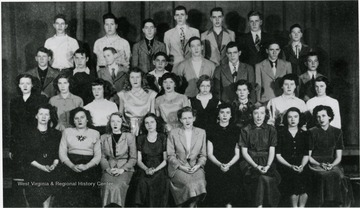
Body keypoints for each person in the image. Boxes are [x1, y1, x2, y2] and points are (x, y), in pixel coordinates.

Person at [308, 105, 353, 207]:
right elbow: (308, 156)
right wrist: (320, 164)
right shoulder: (312, 132)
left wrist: (332, 165)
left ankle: (337, 205)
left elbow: (338, 157)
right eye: (318, 116)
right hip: (315, 164)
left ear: (329, 116)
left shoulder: (337, 132)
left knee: (340, 176)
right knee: (324, 176)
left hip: (333, 163)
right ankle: (323, 205)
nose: (321, 119)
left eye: (323, 115)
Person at [239, 103, 281, 207]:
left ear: (265, 115)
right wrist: (256, 166)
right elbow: (244, 152)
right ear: (251, 114)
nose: (259, 116)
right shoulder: (245, 130)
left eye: (262, 113)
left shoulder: (271, 129)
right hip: (250, 163)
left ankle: (262, 205)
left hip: (267, 161)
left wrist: (267, 166)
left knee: (264, 178)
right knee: (260, 179)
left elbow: (272, 150)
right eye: (256, 113)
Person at [58, 107, 101, 207]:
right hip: (70, 164)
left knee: (88, 189)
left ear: (87, 119)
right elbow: (62, 153)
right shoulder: (67, 132)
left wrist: (87, 166)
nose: (79, 120)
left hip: (89, 165)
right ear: (73, 120)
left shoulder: (95, 133)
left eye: (82, 117)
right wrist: (72, 166)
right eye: (76, 118)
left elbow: (98, 156)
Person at [9, 74, 48, 179]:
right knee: (19, 174)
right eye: (22, 83)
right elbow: (13, 124)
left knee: (34, 173)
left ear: (32, 85)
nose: (25, 86)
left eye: (28, 83)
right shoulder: (14, 101)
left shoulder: (40, 99)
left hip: (35, 139)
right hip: (19, 141)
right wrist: (12, 148)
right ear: (19, 86)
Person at [167, 106, 207, 207]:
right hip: (179, 167)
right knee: (189, 184)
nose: (187, 121)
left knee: (201, 182)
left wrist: (197, 166)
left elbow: (203, 155)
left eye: (189, 117)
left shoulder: (201, 132)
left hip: (195, 166)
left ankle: (192, 206)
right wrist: (181, 167)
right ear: (180, 120)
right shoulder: (173, 133)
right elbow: (170, 155)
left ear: (194, 118)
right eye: (184, 118)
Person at [23, 103, 61, 207]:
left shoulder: (56, 134)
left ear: (50, 117)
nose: (43, 117)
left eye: (46, 114)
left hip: (51, 169)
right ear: (36, 116)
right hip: (34, 169)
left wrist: (54, 164)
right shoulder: (28, 134)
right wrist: (42, 167)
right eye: (41, 114)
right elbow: (27, 156)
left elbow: (57, 154)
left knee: (52, 181)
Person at [205, 103, 241, 207]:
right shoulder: (211, 129)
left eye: (227, 113)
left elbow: (237, 154)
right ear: (218, 115)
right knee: (215, 178)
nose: (224, 115)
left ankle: (229, 205)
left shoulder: (236, 130)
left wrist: (228, 164)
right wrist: (220, 165)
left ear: (231, 115)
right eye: (222, 112)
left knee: (233, 177)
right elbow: (209, 153)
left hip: (232, 162)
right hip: (215, 162)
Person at [100, 112, 136, 207]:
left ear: (122, 123)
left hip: (125, 169)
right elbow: (102, 157)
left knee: (117, 186)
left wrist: (122, 169)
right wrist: (108, 169)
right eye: (112, 121)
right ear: (109, 123)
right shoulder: (103, 137)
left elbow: (133, 158)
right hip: (109, 169)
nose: (115, 124)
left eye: (118, 121)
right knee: (107, 185)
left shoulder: (129, 136)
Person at [276, 107, 310, 207]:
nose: (293, 119)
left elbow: (306, 154)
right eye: (290, 117)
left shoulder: (304, 134)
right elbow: (278, 155)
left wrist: (302, 166)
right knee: (294, 177)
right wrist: (290, 166)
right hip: (285, 165)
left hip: (301, 164)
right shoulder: (281, 134)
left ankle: (302, 206)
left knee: (305, 176)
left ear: (299, 118)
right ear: (286, 119)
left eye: (295, 117)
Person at [134, 113, 169, 207]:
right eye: (147, 123)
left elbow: (165, 160)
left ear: (157, 123)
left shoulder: (163, 137)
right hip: (144, 167)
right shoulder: (141, 138)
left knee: (161, 182)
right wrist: (146, 169)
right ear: (144, 125)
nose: (149, 125)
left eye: (152, 122)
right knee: (142, 182)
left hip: (160, 167)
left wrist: (155, 170)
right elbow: (139, 160)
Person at [118, 67, 157, 136]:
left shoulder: (151, 94)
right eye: (132, 77)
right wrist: (126, 127)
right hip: (128, 128)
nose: (135, 80)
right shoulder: (123, 94)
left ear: (142, 78)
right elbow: (120, 114)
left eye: (138, 77)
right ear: (128, 79)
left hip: (146, 127)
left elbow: (152, 114)